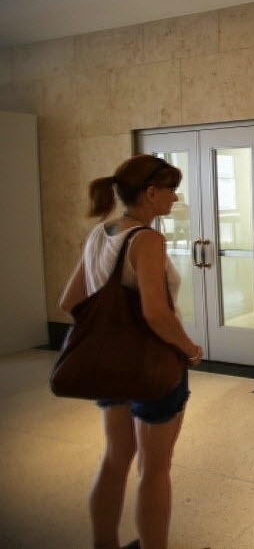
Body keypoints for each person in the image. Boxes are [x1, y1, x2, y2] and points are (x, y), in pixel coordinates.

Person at [58, 154, 203, 549]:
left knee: (114, 458)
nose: (175, 197)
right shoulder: (146, 239)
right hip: (153, 367)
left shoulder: (100, 234)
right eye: (171, 189)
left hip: (110, 365)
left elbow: (69, 302)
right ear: (150, 193)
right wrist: (189, 349)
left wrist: (111, 335)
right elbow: (156, 313)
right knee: (155, 470)